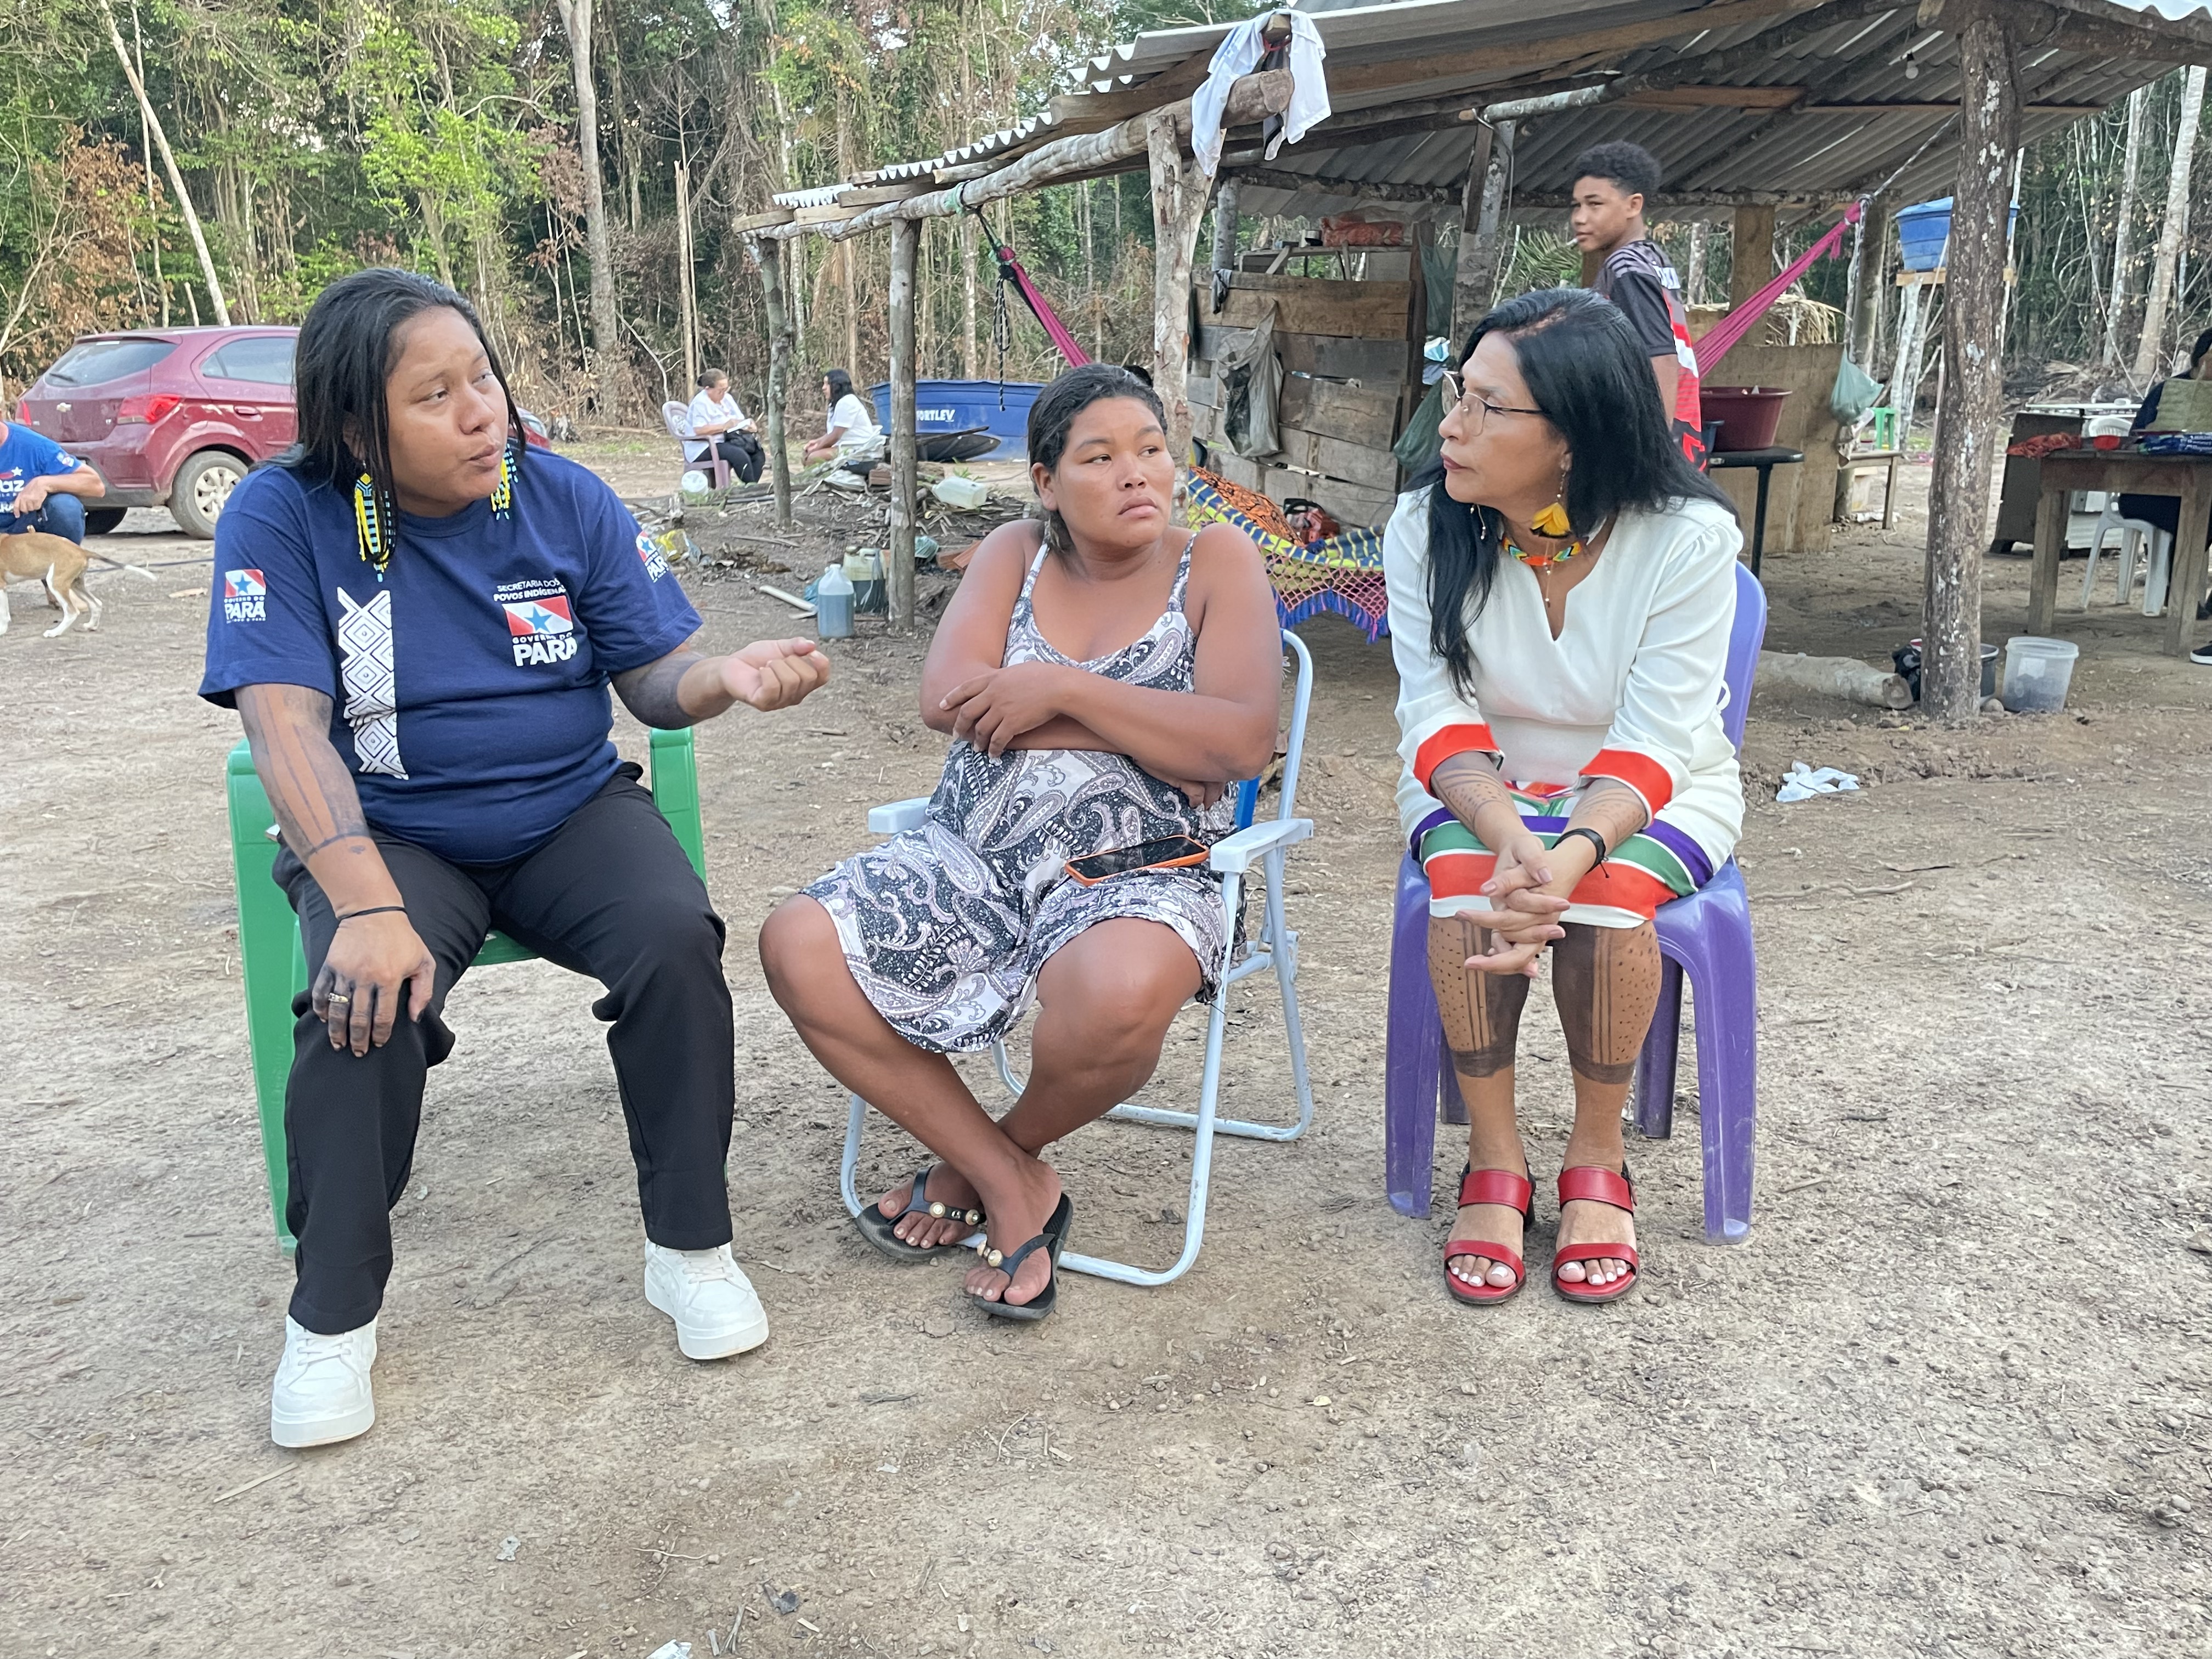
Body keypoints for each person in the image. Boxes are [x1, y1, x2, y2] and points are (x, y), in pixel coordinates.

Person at [200, 268, 832, 1449]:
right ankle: (331, 1318)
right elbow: (284, 726)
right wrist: (364, 904)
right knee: (360, 1001)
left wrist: (723, 679)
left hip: (566, 813)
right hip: (390, 832)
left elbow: (652, 677)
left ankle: (690, 1248)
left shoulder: (562, 495)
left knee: (673, 939)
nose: (480, 410)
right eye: (434, 395)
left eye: (481, 376)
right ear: (357, 429)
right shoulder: (282, 514)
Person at [759, 364, 1280, 1322]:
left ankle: (984, 1158)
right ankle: (1008, 1177)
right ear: (1046, 481)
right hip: (973, 855)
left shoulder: (1217, 562)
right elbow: (946, 701)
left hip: (1142, 866)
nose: (1137, 473)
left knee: (1119, 991)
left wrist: (1057, 690)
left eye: (1151, 450)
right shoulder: (1015, 552)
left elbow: (1241, 743)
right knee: (797, 942)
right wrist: (1160, 728)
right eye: (1100, 457)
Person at [1385, 287, 1742, 1307]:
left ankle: (1597, 1155)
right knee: (1467, 881)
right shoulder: (1423, 527)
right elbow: (1433, 708)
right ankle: (1494, 1159)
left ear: (1573, 440)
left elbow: (1660, 737)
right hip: (1479, 781)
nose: (1451, 425)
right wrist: (1507, 830)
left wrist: (1570, 855)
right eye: (1456, 392)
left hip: (1658, 785)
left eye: (1488, 407)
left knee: (1609, 894)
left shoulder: (1685, 539)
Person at [1568, 140, 1706, 470]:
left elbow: (1661, 360)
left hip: (1650, 453)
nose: (1580, 218)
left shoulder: (1625, 268)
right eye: (1577, 206)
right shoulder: (1652, 259)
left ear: (1633, 205)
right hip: (1681, 440)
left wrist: (1655, 456)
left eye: (1595, 204)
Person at [2119, 325, 2212, 661]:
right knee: (2201, 516)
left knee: (2205, 511)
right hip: (2149, 491)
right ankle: (2180, 593)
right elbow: (2137, 436)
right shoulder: (2168, 391)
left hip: (2199, 491)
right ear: (2201, 359)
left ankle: (2185, 592)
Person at [0, 410, 106, 543]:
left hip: (25, 527)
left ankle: (64, 555)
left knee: (65, 507)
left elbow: (95, 485)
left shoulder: (35, 445)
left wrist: (44, 483)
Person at [686, 370, 765, 484]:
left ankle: (752, 486)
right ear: (708, 389)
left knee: (757, 451)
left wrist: (748, 425)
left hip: (728, 440)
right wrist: (723, 427)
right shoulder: (701, 402)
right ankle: (751, 487)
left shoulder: (727, 398)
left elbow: (739, 419)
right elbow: (699, 430)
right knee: (739, 455)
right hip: (704, 446)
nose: (723, 393)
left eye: (726, 389)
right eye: (720, 390)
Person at [801, 368, 883, 467]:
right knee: (806, 454)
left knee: (813, 458)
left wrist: (816, 449)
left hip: (858, 449)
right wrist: (817, 442)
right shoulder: (835, 404)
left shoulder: (847, 402)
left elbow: (836, 436)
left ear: (837, 386)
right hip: (845, 446)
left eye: (827, 384)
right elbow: (832, 433)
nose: (823, 388)